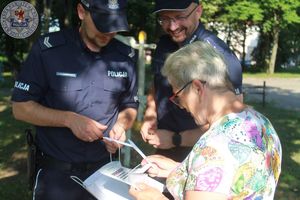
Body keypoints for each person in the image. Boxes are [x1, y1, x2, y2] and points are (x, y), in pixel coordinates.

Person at [11, 0, 138, 199]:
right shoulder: (48, 51)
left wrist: (121, 125)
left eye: (114, 26)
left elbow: (130, 105)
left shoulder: (125, 57)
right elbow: (20, 108)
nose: (108, 33)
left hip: (106, 172)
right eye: (101, 23)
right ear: (81, 12)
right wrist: (69, 119)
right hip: (56, 176)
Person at [129, 41, 282, 200]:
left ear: (197, 88)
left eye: (178, 97)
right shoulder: (262, 125)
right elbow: (232, 179)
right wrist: (180, 171)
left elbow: (216, 162)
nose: (181, 106)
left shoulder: (214, 148)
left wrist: (154, 198)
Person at [140, 0, 243, 162]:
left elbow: (233, 119)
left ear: (198, 11)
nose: (172, 27)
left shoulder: (219, 56)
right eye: (164, 18)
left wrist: (177, 139)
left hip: (205, 154)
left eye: (180, 17)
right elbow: (157, 83)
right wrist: (150, 113)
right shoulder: (164, 44)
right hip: (164, 146)